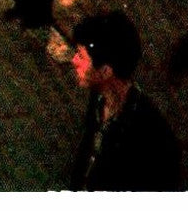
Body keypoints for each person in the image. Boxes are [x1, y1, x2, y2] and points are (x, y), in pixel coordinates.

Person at [67, 11, 181, 190]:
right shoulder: (99, 97)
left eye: (81, 56)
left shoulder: (150, 134)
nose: (73, 60)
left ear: (105, 71)